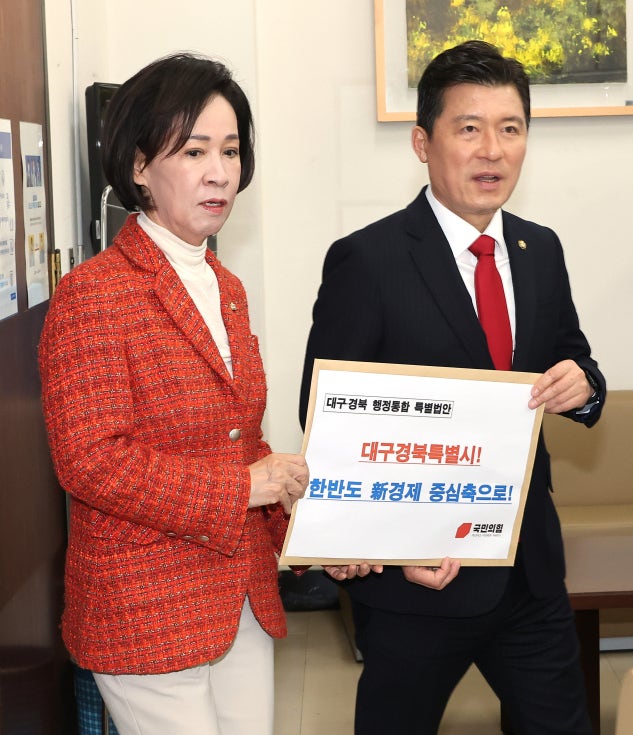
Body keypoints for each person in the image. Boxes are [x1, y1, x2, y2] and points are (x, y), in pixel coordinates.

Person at [299, 40, 605, 735]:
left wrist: (582, 386)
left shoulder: (540, 249)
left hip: (527, 572)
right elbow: (327, 419)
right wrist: (400, 543)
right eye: (469, 128)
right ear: (422, 142)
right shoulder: (368, 260)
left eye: (510, 128)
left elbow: (577, 362)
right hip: (417, 585)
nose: (492, 150)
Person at [39, 52, 309, 735]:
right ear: (139, 165)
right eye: (194, 151)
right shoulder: (92, 294)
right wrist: (242, 487)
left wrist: (303, 526)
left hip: (240, 593)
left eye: (231, 150)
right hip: (144, 607)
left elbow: (240, 439)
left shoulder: (227, 287)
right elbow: (90, 460)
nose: (220, 172)